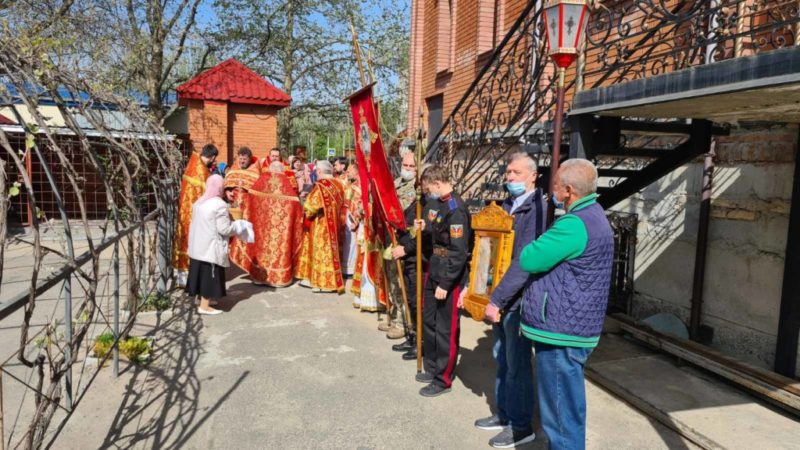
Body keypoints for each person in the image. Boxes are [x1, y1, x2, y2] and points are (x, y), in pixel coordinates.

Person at [519, 159, 613, 450]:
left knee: (559, 414)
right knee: (568, 408)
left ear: (569, 191)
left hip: (561, 330)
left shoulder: (574, 224)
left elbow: (529, 258)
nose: (553, 189)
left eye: (556, 185)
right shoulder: (595, 214)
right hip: (575, 326)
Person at [469, 152, 547, 448]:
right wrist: (474, 285)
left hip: (516, 301)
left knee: (517, 366)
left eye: (516, 173)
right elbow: (486, 253)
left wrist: (498, 299)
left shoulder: (538, 210)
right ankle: (504, 414)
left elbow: (523, 262)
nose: (509, 178)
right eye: (508, 172)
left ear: (532, 175)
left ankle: (520, 425)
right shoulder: (503, 207)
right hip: (498, 298)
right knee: (500, 359)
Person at [414, 165, 472, 397]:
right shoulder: (440, 204)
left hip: (449, 274)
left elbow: (459, 252)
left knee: (445, 328)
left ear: (438, 184)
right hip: (434, 268)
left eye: (429, 190)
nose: (429, 194)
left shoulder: (456, 209)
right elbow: (435, 228)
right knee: (429, 321)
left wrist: (446, 284)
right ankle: (432, 366)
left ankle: (443, 378)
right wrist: (424, 227)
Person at [186, 175, 246, 315]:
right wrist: (238, 226)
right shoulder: (219, 205)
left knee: (200, 273)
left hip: (197, 245)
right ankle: (204, 306)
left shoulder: (199, 202)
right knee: (209, 275)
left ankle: (201, 300)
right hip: (210, 246)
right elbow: (224, 229)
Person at [244, 161, 304, 287]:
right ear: (282, 170)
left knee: (261, 247)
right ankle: (279, 278)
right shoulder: (286, 185)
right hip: (281, 231)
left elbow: (248, 201)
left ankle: (259, 276)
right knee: (279, 250)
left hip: (262, 229)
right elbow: (297, 207)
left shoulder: (261, 182)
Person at [295, 160, 347, 293]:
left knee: (321, 252)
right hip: (335, 224)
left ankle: (322, 283)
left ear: (319, 171)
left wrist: (305, 205)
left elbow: (311, 207)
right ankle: (331, 281)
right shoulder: (339, 184)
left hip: (322, 225)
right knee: (331, 253)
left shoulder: (321, 185)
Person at [385, 150, 421, 344]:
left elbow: (403, 212)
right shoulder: (397, 182)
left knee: (401, 283)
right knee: (392, 280)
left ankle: (403, 321)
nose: (407, 169)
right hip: (391, 237)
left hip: (405, 238)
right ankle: (394, 313)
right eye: (405, 165)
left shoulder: (417, 188)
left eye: (411, 166)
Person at [173, 143, 217, 286]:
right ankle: (191, 279)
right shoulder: (201, 172)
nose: (214, 162)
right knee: (193, 245)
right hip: (194, 215)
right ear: (211, 157)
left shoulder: (194, 164)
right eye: (213, 159)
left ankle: (183, 278)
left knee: (185, 242)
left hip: (187, 212)